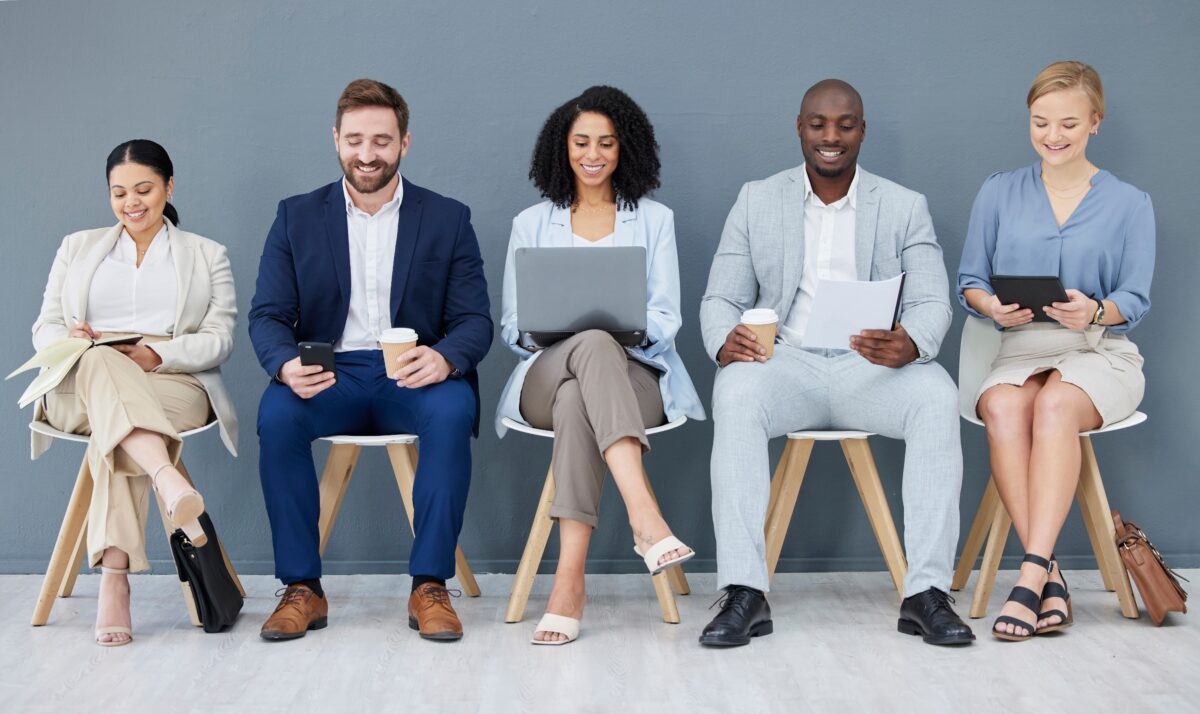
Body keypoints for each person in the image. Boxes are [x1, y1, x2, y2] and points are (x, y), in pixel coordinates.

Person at [699, 79, 974, 648]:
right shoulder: (757, 198)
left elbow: (930, 301)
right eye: (818, 124)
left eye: (845, 125)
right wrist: (725, 341)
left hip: (869, 368)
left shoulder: (904, 205)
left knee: (936, 394)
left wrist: (913, 342)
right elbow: (719, 298)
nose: (831, 136)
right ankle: (745, 591)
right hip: (786, 364)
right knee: (734, 392)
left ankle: (926, 593)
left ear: (862, 131)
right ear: (799, 127)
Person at [249, 78, 492, 642]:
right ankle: (301, 587)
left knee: (454, 411)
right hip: (329, 372)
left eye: (381, 140)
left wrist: (447, 359)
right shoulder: (295, 216)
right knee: (277, 416)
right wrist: (285, 365)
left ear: (404, 142)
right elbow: (267, 315)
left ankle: (430, 585)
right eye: (355, 139)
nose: (367, 153)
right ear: (335, 139)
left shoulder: (448, 218)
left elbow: (475, 321)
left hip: (413, 372)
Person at [497, 86, 705, 645]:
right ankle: (646, 517)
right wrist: (570, 332)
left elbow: (667, 319)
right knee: (585, 347)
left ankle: (568, 583)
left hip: (634, 375)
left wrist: (622, 333)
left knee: (579, 398)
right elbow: (513, 328)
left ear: (625, 149)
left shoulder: (655, 220)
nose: (593, 154)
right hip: (544, 372)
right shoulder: (531, 223)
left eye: (607, 143)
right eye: (581, 141)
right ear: (562, 148)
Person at [958, 61, 1154, 642]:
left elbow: (1135, 299)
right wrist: (991, 308)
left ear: (1095, 122)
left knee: (1054, 407)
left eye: (1068, 122)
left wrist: (1094, 310)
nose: (1053, 135)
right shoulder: (999, 190)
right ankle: (1051, 575)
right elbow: (971, 279)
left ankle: (1030, 574)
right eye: (1040, 122)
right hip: (1020, 346)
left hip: (1099, 350)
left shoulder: (1129, 203)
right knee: (1001, 407)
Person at [30, 139, 238, 646]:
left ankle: (115, 583)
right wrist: (72, 342)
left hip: (172, 382)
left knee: (117, 428)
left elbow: (219, 339)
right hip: (81, 381)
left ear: (169, 186)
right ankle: (168, 479)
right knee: (103, 367)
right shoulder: (76, 247)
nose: (132, 202)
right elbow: (45, 327)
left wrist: (156, 355)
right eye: (119, 192)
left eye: (144, 189)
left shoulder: (207, 255)